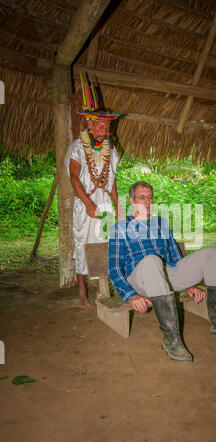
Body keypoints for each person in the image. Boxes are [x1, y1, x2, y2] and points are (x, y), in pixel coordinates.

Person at [108, 181, 216, 364]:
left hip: (166, 275)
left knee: (211, 253)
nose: (147, 202)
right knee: (151, 260)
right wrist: (130, 296)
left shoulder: (161, 223)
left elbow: (176, 257)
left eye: (150, 197)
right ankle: (171, 341)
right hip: (140, 280)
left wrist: (189, 284)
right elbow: (113, 269)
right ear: (131, 200)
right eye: (142, 197)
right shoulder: (120, 228)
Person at [65, 75, 123, 306]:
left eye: (107, 125)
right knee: (84, 243)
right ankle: (81, 291)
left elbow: (112, 180)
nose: (105, 128)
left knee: (106, 242)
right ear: (89, 124)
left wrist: (118, 205)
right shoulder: (78, 147)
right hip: (85, 203)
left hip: (106, 204)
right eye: (100, 124)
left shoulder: (111, 149)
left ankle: (103, 287)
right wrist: (88, 204)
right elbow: (73, 177)